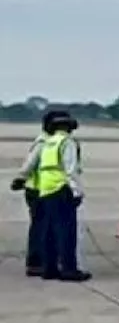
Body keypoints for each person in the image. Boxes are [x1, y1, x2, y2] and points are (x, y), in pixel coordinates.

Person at [19, 112, 90, 281]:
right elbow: (70, 170)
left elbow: (34, 164)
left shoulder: (48, 142)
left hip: (46, 190)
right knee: (66, 232)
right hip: (62, 189)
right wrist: (77, 192)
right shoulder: (67, 142)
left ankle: (49, 268)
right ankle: (68, 269)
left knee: (48, 232)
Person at [8, 111, 60, 277]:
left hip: (43, 189)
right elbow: (30, 163)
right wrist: (20, 178)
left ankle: (43, 259)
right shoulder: (44, 142)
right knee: (40, 227)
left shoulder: (50, 141)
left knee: (44, 226)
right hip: (37, 190)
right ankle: (36, 262)